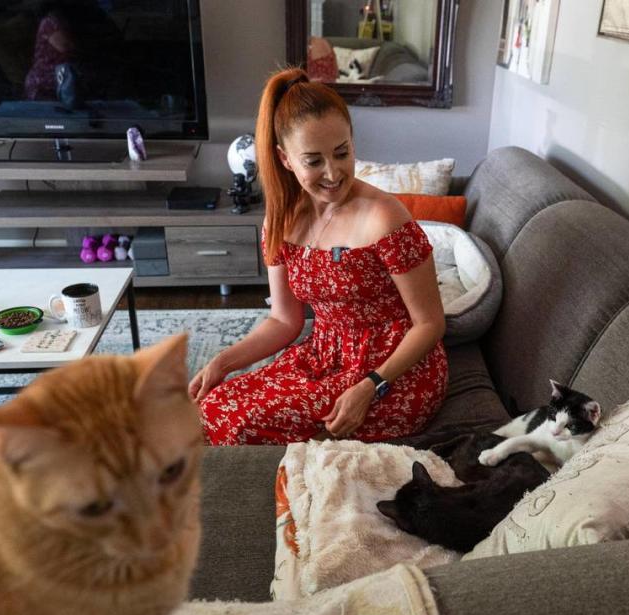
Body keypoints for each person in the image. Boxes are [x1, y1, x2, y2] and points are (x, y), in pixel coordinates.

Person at [190, 68, 448, 445]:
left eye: (342, 153)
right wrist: (221, 363)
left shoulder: (386, 218)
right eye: (313, 161)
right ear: (285, 159)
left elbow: (430, 324)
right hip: (324, 357)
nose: (333, 173)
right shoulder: (281, 220)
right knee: (210, 406)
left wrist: (370, 385)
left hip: (396, 373)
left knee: (240, 425)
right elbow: (283, 320)